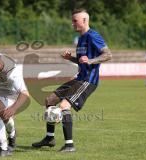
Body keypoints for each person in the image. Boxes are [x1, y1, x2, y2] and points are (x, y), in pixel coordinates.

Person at [32, 9, 112, 152]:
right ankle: (49, 138)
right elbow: (82, 61)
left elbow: (108, 54)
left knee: (64, 106)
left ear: (84, 21)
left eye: (75, 21)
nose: (72, 23)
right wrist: (71, 58)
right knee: (49, 100)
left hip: (88, 81)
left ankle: (69, 145)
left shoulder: (93, 36)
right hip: (79, 78)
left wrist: (92, 60)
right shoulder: (80, 38)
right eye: (72, 20)